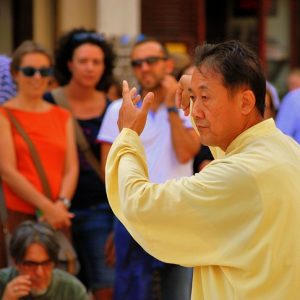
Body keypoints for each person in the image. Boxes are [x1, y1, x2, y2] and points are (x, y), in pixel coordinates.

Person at [105, 40, 300, 299]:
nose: (195, 111)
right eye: (194, 98)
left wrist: (128, 135)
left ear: (245, 102)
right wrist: (197, 85)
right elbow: (230, 148)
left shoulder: (239, 172)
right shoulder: (285, 148)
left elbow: (140, 205)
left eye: (205, 98)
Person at [98, 38, 200, 300]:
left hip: (178, 212)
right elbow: (110, 167)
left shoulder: (187, 106)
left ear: (167, 64)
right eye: (137, 63)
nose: (144, 68)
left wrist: (171, 109)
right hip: (134, 214)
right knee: (133, 293)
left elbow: (186, 152)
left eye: (151, 60)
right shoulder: (119, 109)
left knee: (179, 293)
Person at [44, 28, 116, 300]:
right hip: (54, 209)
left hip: (101, 208)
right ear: (69, 63)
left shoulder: (113, 107)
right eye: (83, 61)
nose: (90, 68)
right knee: (58, 289)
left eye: (97, 62)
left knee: (106, 287)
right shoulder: (49, 102)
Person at [0, 40, 78, 234]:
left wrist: (62, 204)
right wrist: (47, 207)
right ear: (15, 74)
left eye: (44, 71)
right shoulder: (4, 115)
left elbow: (71, 168)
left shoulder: (62, 115)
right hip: (20, 214)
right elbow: (7, 170)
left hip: (59, 215)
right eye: (29, 71)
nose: (37, 77)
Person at [0, 220, 88, 299]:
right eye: (31, 264)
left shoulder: (72, 290)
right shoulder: (2, 283)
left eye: (46, 263)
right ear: (16, 262)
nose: (39, 273)